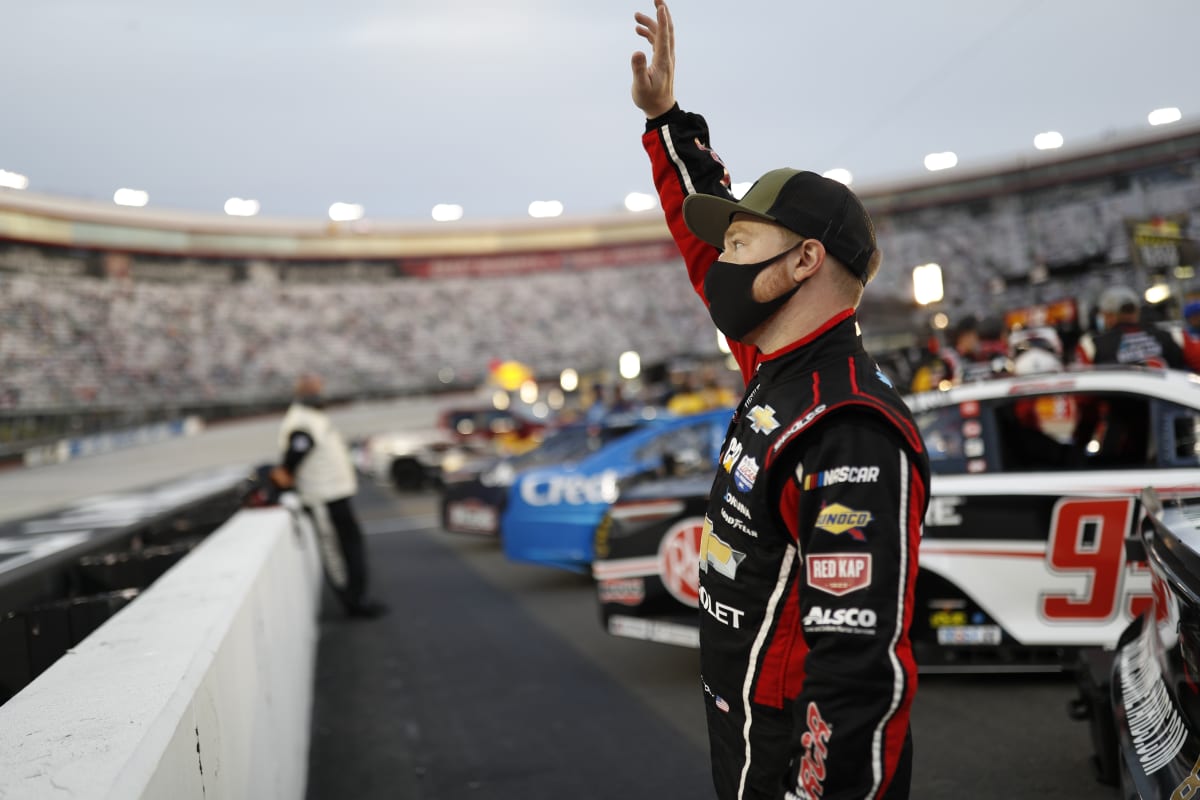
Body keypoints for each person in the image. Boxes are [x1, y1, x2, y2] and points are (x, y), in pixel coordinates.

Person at [630, 3, 932, 798]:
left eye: (740, 242)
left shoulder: (850, 427)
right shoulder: (776, 364)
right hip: (744, 736)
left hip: (794, 765)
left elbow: (860, 677)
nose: (721, 261)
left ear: (803, 262)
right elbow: (700, 237)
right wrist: (666, 121)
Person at [271, 373, 386, 619]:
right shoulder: (302, 421)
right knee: (336, 550)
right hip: (322, 496)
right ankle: (352, 603)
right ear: (304, 393)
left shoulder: (310, 417)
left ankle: (358, 597)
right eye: (316, 391)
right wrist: (281, 483)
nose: (321, 395)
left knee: (350, 546)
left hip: (334, 493)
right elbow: (293, 457)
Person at [1075, 285, 1200, 370]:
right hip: (1173, 401)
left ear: (1109, 315)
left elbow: (1082, 394)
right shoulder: (1174, 336)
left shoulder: (1091, 346)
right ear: (1137, 311)